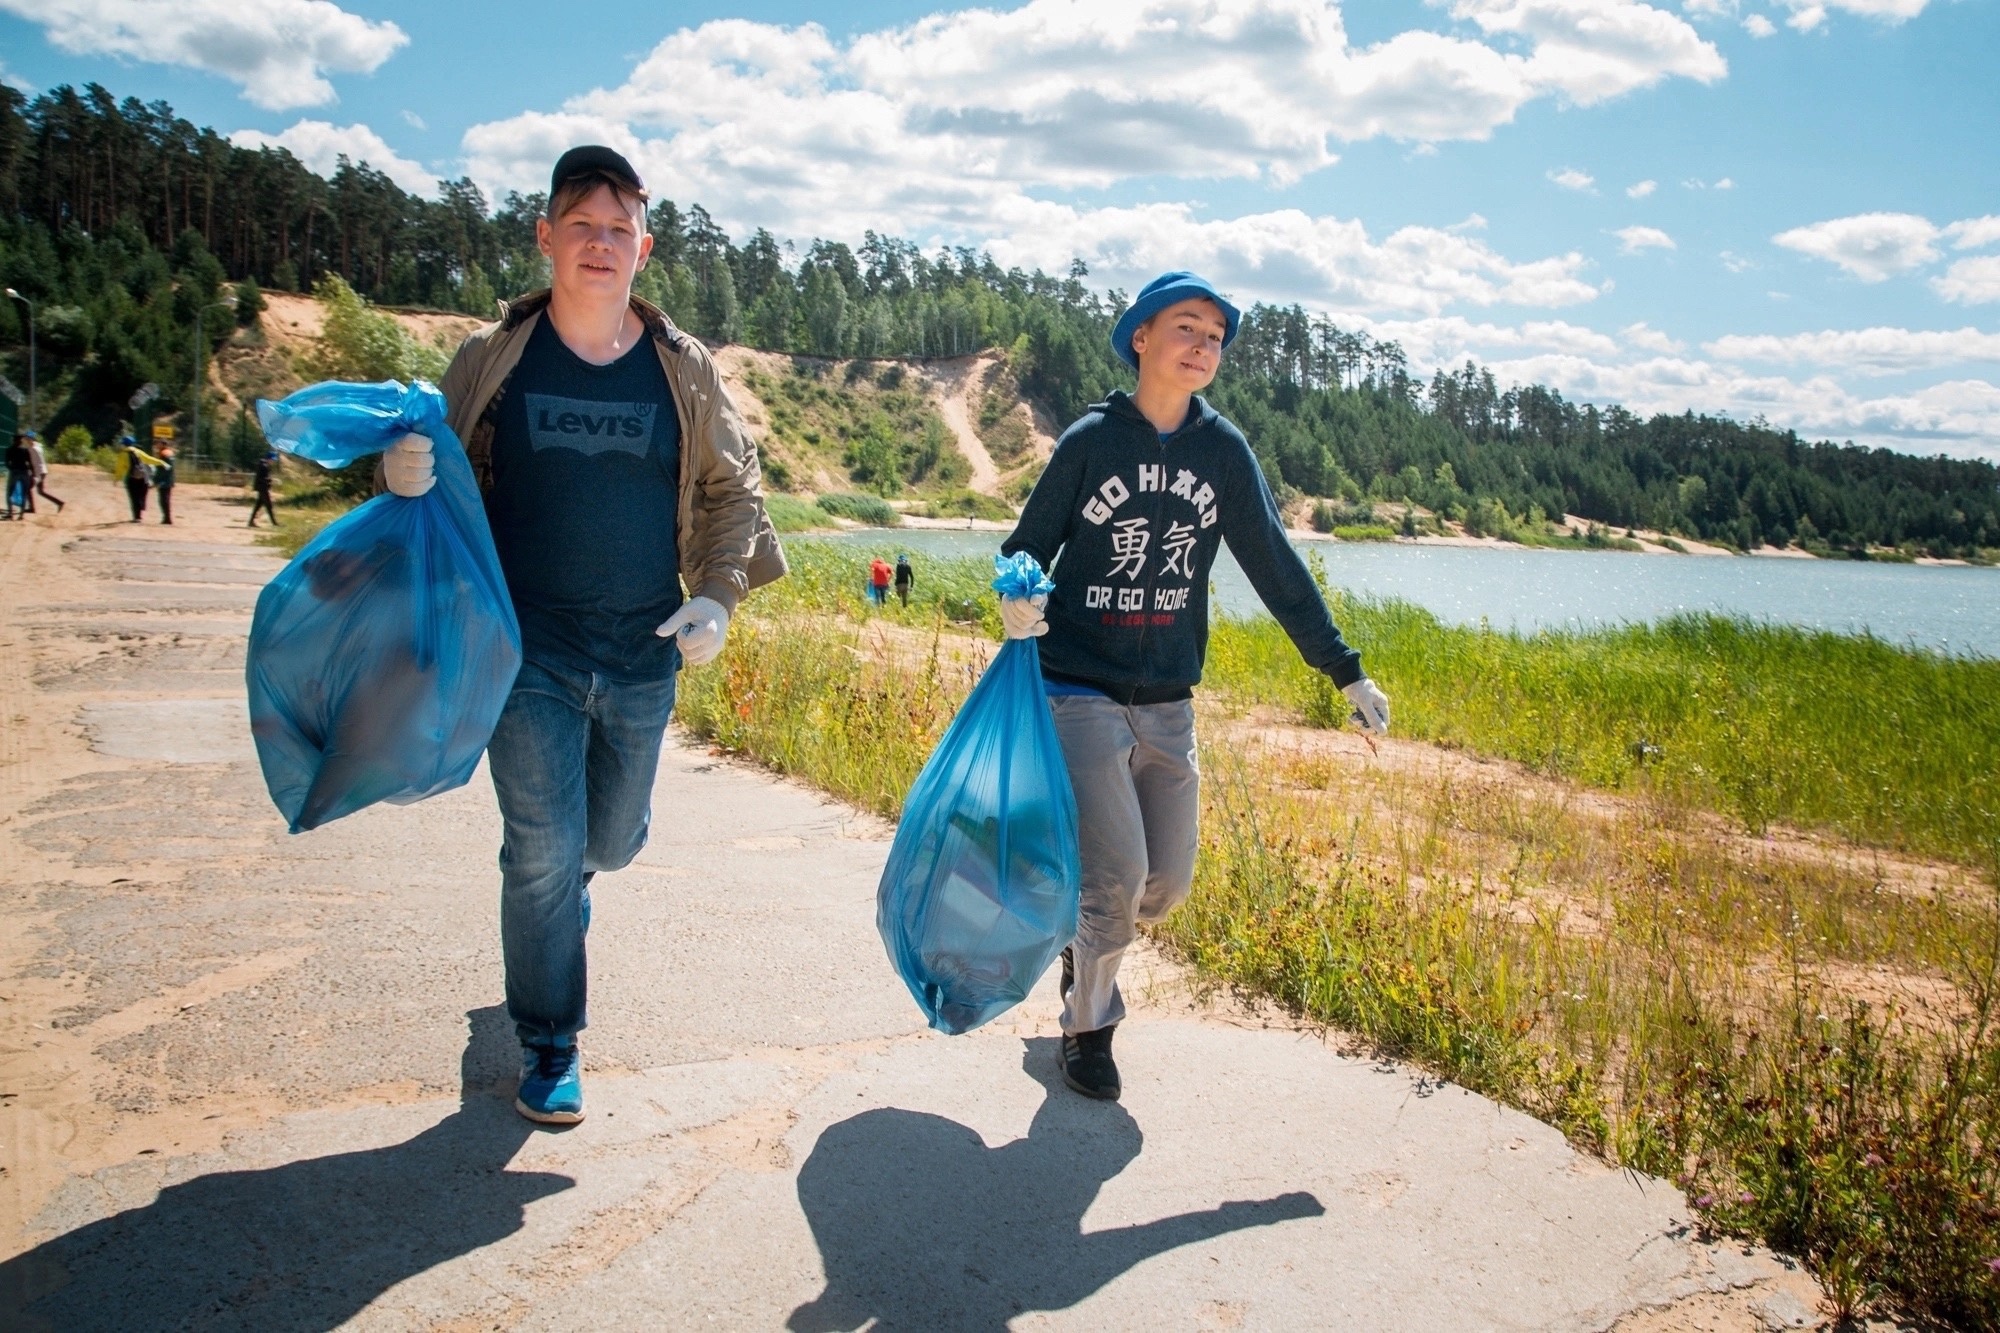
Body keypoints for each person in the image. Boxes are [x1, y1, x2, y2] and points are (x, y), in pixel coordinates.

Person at [378, 146, 785, 1125]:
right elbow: (429, 474)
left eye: (618, 229)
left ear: (643, 247)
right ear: (545, 237)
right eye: (581, 225)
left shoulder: (681, 367)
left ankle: (562, 896)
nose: (599, 244)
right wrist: (397, 477)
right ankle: (550, 1038)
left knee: (608, 841)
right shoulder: (492, 358)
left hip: (643, 651)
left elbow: (734, 488)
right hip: (525, 652)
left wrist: (718, 596)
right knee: (542, 848)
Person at [999, 271, 1392, 1102]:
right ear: (1141, 336)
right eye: (1187, 327)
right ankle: (1088, 1030)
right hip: (1077, 688)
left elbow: (1276, 564)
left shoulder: (1223, 453)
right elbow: (1026, 544)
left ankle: (1083, 939)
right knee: (1114, 881)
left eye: (1215, 337)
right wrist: (1018, 592)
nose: (1203, 345)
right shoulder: (1090, 441)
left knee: (1163, 885)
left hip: (1169, 700)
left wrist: (1344, 667)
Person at [118, 436, 164, 523]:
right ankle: (140, 512)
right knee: (140, 496)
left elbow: (119, 468)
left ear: (124, 444)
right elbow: (149, 459)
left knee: (133, 497)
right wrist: (161, 462)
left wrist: (117, 478)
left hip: (131, 478)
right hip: (142, 478)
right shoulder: (139, 452)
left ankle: (136, 517)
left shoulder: (123, 454)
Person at [27, 430, 63, 513]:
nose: (27, 440)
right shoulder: (39, 447)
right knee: (41, 491)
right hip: (42, 471)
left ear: (31, 439)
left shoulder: (32, 448)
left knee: (28, 489)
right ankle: (59, 503)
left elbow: (32, 460)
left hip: (39, 472)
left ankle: (32, 508)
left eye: (28, 438)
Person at [248, 450, 279, 527]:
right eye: (272, 460)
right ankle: (274, 523)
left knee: (258, 505)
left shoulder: (264, 465)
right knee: (269, 506)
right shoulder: (264, 466)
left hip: (262, 488)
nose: (273, 462)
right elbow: (262, 478)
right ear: (269, 458)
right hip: (263, 488)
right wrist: (271, 480)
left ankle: (251, 522)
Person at [3, 433, 29, 520]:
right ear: (21, 442)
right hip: (24, 471)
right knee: (24, 493)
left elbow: (7, 463)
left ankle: (10, 513)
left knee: (9, 493)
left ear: (13, 441)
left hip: (14, 471)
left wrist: (12, 469)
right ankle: (21, 515)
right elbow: (29, 462)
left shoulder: (9, 450)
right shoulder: (25, 450)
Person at [154, 445, 177, 524]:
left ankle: (167, 518)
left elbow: (161, 469)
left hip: (163, 481)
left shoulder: (163, 454)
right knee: (166, 499)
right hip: (169, 480)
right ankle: (167, 517)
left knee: (163, 500)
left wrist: (156, 480)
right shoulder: (170, 453)